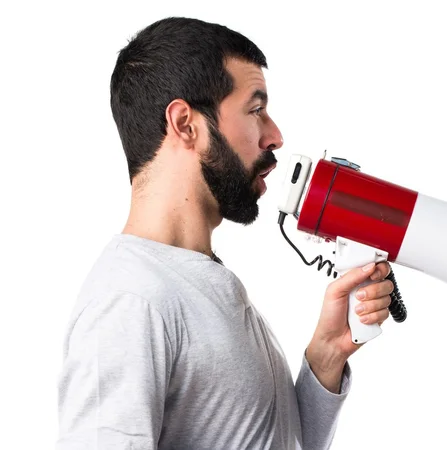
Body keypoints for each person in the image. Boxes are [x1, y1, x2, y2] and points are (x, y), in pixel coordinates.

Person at [56, 17, 394, 450]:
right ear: (185, 124)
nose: (274, 135)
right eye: (255, 110)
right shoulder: (130, 300)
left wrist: (326, 357)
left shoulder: (194, 281)